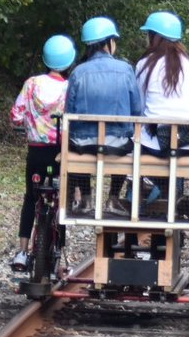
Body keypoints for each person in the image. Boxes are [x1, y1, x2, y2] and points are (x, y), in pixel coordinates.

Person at [9, 34, 76, 269]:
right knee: (62, 200)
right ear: (69, 60)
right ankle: (60, 257)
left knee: (31, 197)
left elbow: (16, 116)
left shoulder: (32, 84)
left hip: (36, 152)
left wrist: (29, 124)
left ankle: (22, 252)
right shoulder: (70, 87)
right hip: (59, 154)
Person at [65, 15, 143, 211]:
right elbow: (137, 111)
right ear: (108, 42)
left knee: (73, 144)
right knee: (129, 143)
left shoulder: (78, 72)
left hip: (83, 143)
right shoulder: (125, 70)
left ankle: (86, 198)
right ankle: (113, 198)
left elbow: (69, 112)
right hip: (116, 143)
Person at [136, 11, 189, 157]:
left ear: (154, 36)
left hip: (154, 143)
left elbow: (141, 106)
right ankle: (172, 181)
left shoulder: (144, 65)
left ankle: (155, 180)